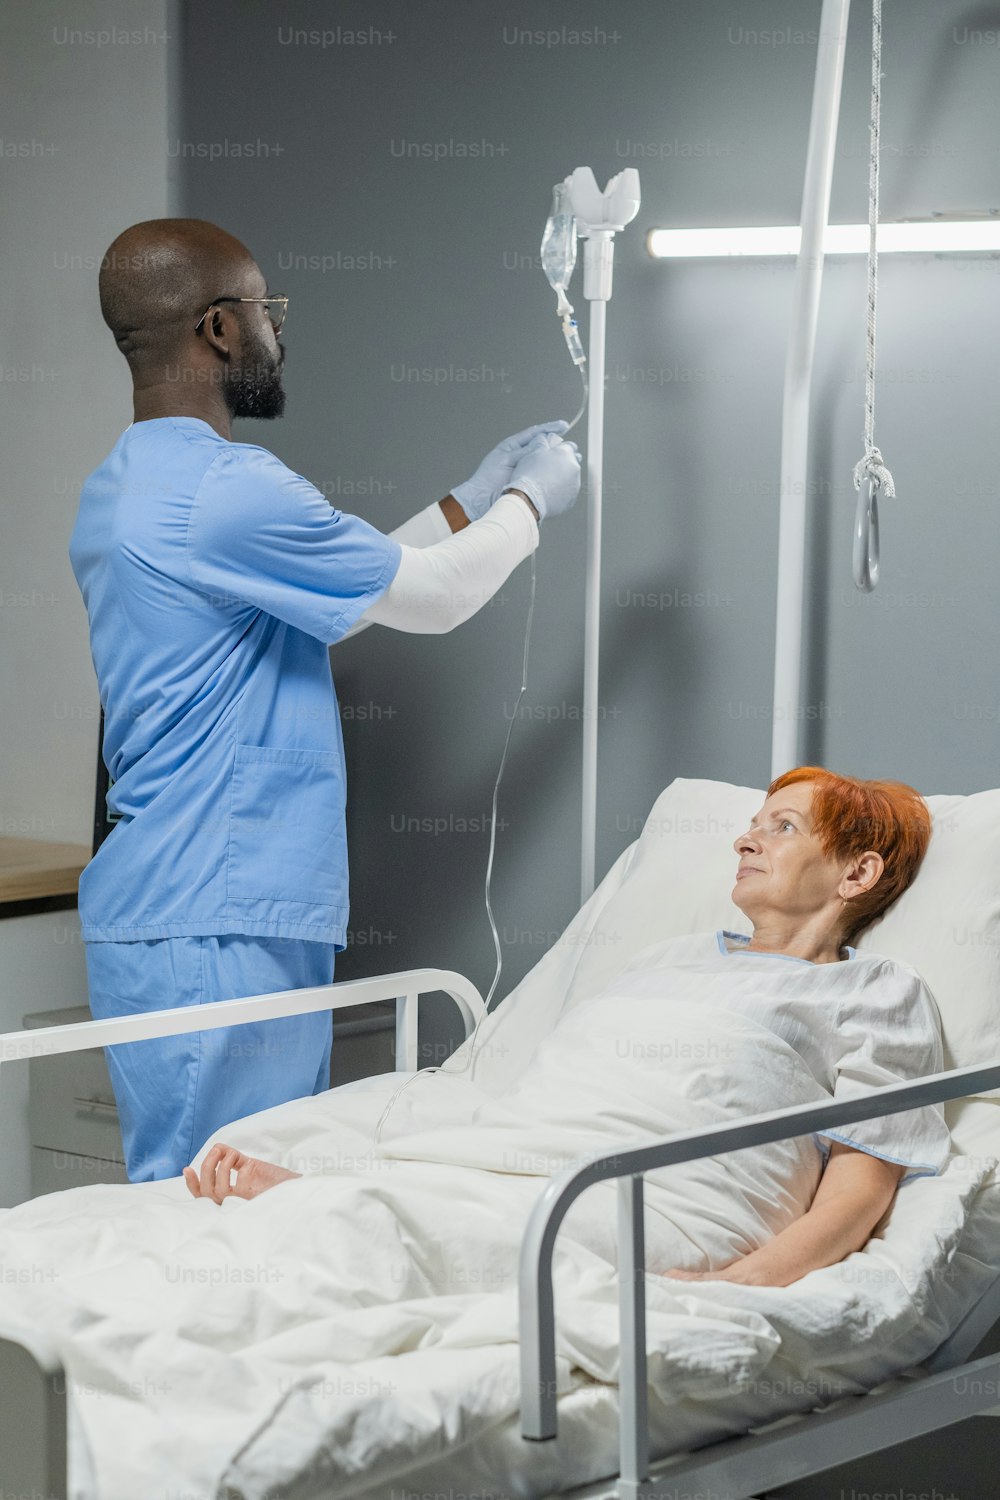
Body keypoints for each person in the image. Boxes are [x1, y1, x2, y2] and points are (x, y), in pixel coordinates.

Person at [68, 218, 581, 1185]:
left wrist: (469, 502)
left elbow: (332, 605)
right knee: (220, 1210)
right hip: (217, 913)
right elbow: (430, 596)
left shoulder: (127, 485)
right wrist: (531, 505)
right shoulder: (225, 487)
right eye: (269, 311)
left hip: (189, 903)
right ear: (220, 328)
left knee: (221, 1196)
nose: (278, 333)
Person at [184, 767, 951, 1290]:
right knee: (407, 1209)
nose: (744, 840)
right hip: (519, 1158)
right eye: (750, 825)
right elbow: (575, 1088)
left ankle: (348, 1216)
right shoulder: (669, 957)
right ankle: (356, 1205)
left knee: (405, 1235)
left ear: (857, 875)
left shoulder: (875, 993)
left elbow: (859, 1192)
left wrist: (742, 1284)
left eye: (780, 827)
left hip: (659, 1200)